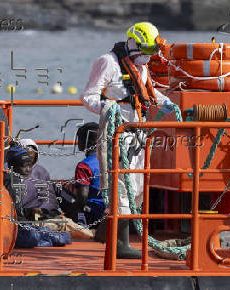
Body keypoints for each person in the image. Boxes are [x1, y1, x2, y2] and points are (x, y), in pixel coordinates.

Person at [80, 22, 176, 259]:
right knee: (120, 187)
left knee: (137, 187)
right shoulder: (108, 63)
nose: (148, 57)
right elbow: (88, 96)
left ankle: (107, 233)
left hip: (138, 135)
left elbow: (149, 93)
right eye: (146, 51)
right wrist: (107, 108)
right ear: (134, 43)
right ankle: (120, 244)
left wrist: (170, 104)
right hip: (117, 135)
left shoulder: (141, 68)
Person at [73, 122, 105, 227]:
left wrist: (77, 211)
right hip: (110, 212)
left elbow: (82, 196)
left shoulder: (84, 166)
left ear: (85, 142)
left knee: (57, 189)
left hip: (93, 214)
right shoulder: (112, 161)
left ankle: (79, 221)